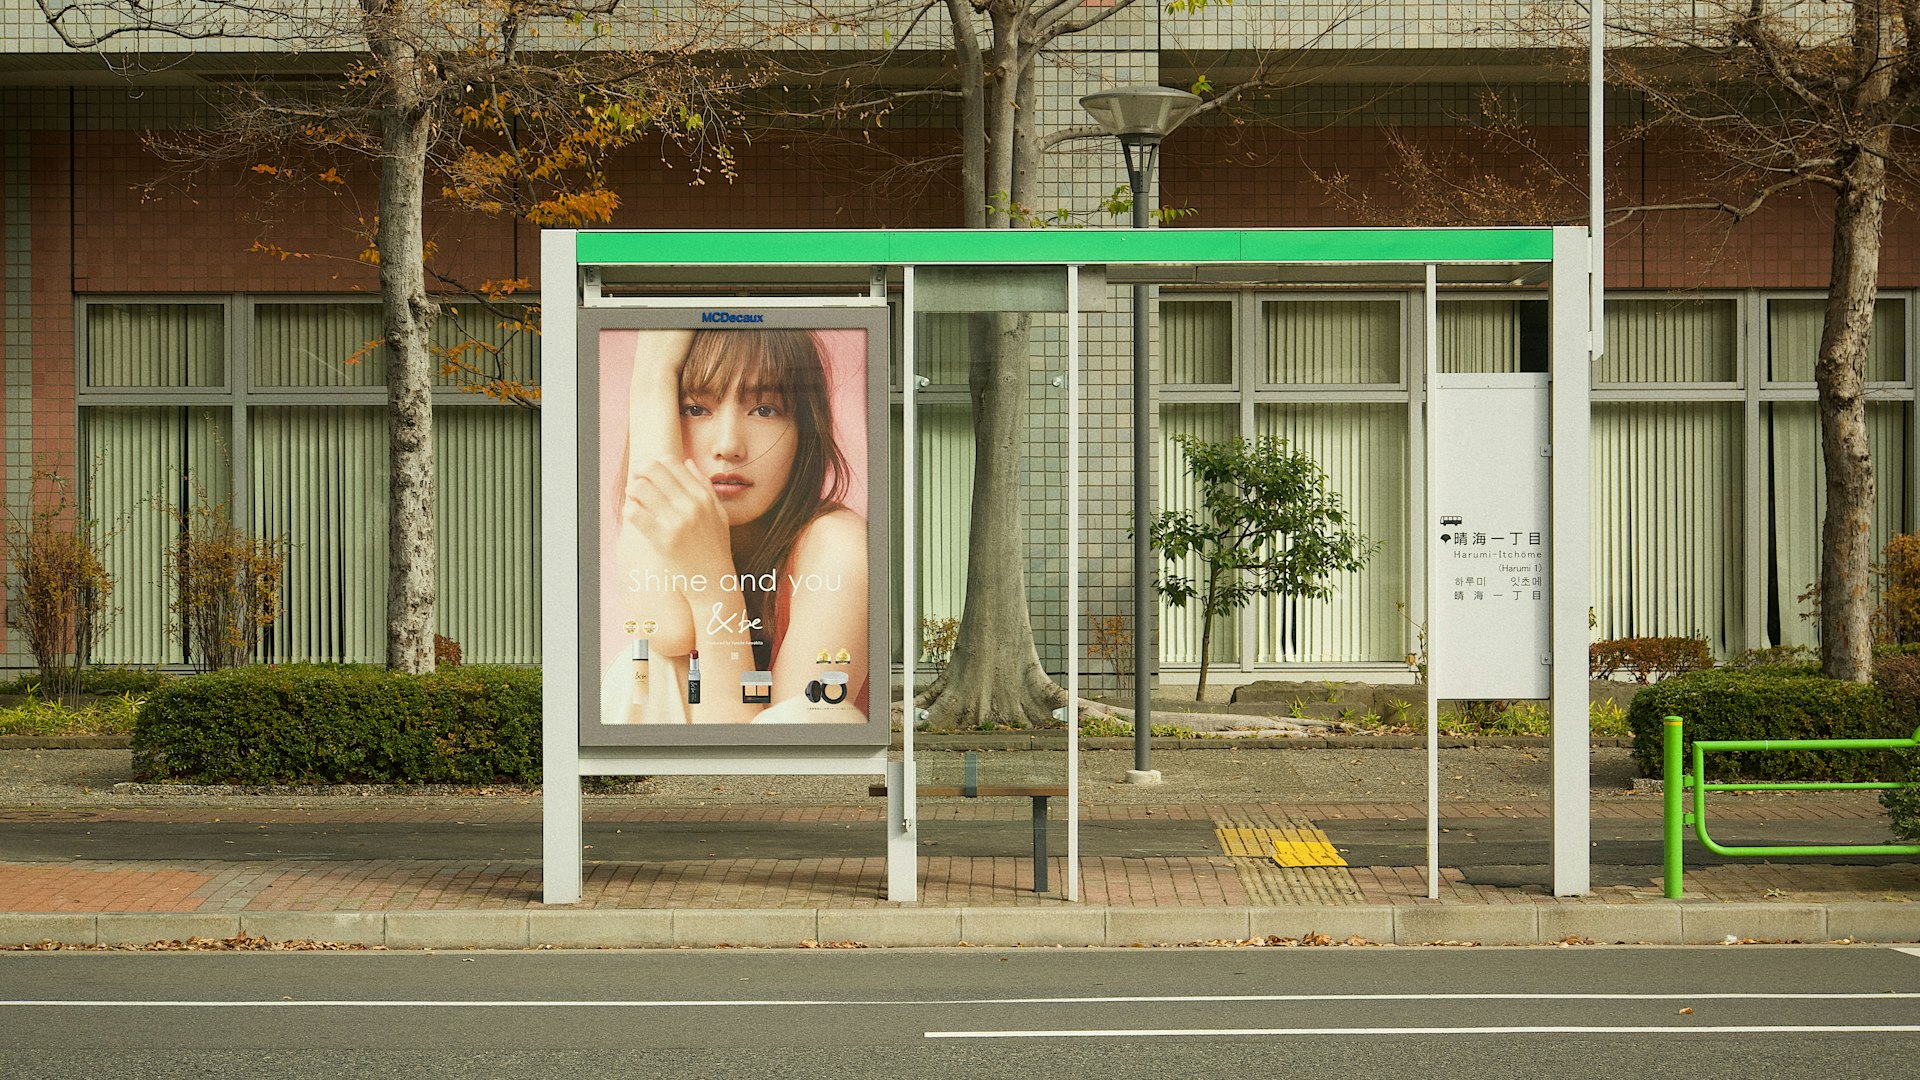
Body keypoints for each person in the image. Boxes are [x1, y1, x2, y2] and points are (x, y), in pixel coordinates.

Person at [601, 328, 869, 725]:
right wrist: (651, 376)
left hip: (798, 786)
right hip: (695, 777)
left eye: (765, 410)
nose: (728, 445)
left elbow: (767, 755)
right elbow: (670, 631)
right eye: (695, 408)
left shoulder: (840, 546)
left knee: (808, 714)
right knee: (650, 667)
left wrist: (713, 585)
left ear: (804, 431)